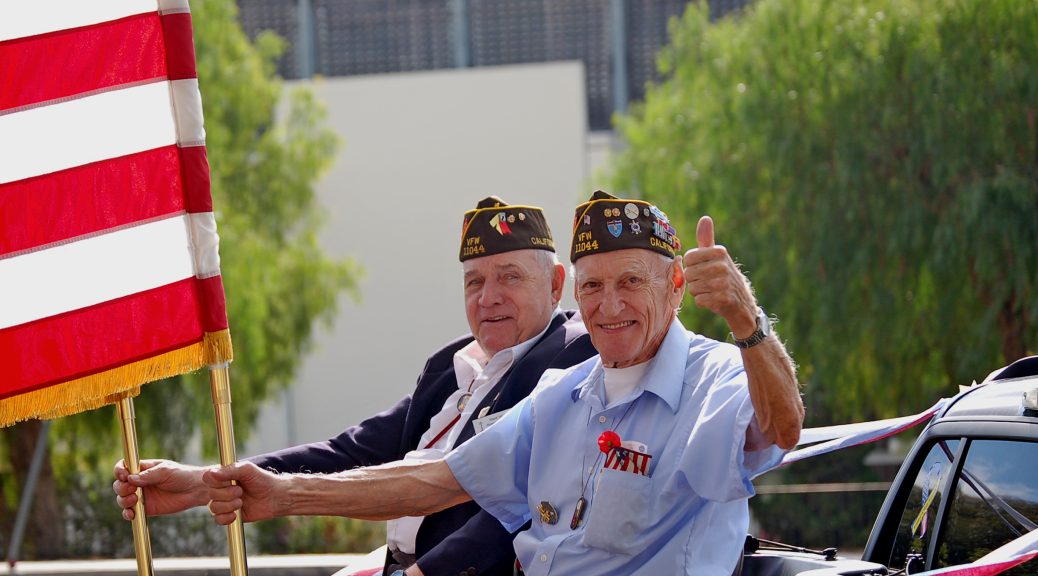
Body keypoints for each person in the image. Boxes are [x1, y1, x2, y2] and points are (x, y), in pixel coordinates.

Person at [202, 191, 806, 575]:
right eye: (593, 287)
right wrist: (281, 495)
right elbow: (430, 481)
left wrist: (745, 319)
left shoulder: (717, 376)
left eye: (631, 283)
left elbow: (782, 427)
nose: (609, 305)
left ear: (676, 286)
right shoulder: (563, 396)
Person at [113, 197, 597, 576]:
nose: (488, 297)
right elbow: (351, 452)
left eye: (508, 277)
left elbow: (521, 503)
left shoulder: (571, 355)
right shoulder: (452, 364)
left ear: (556, 285)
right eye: (473, 282)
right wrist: (204, 481)